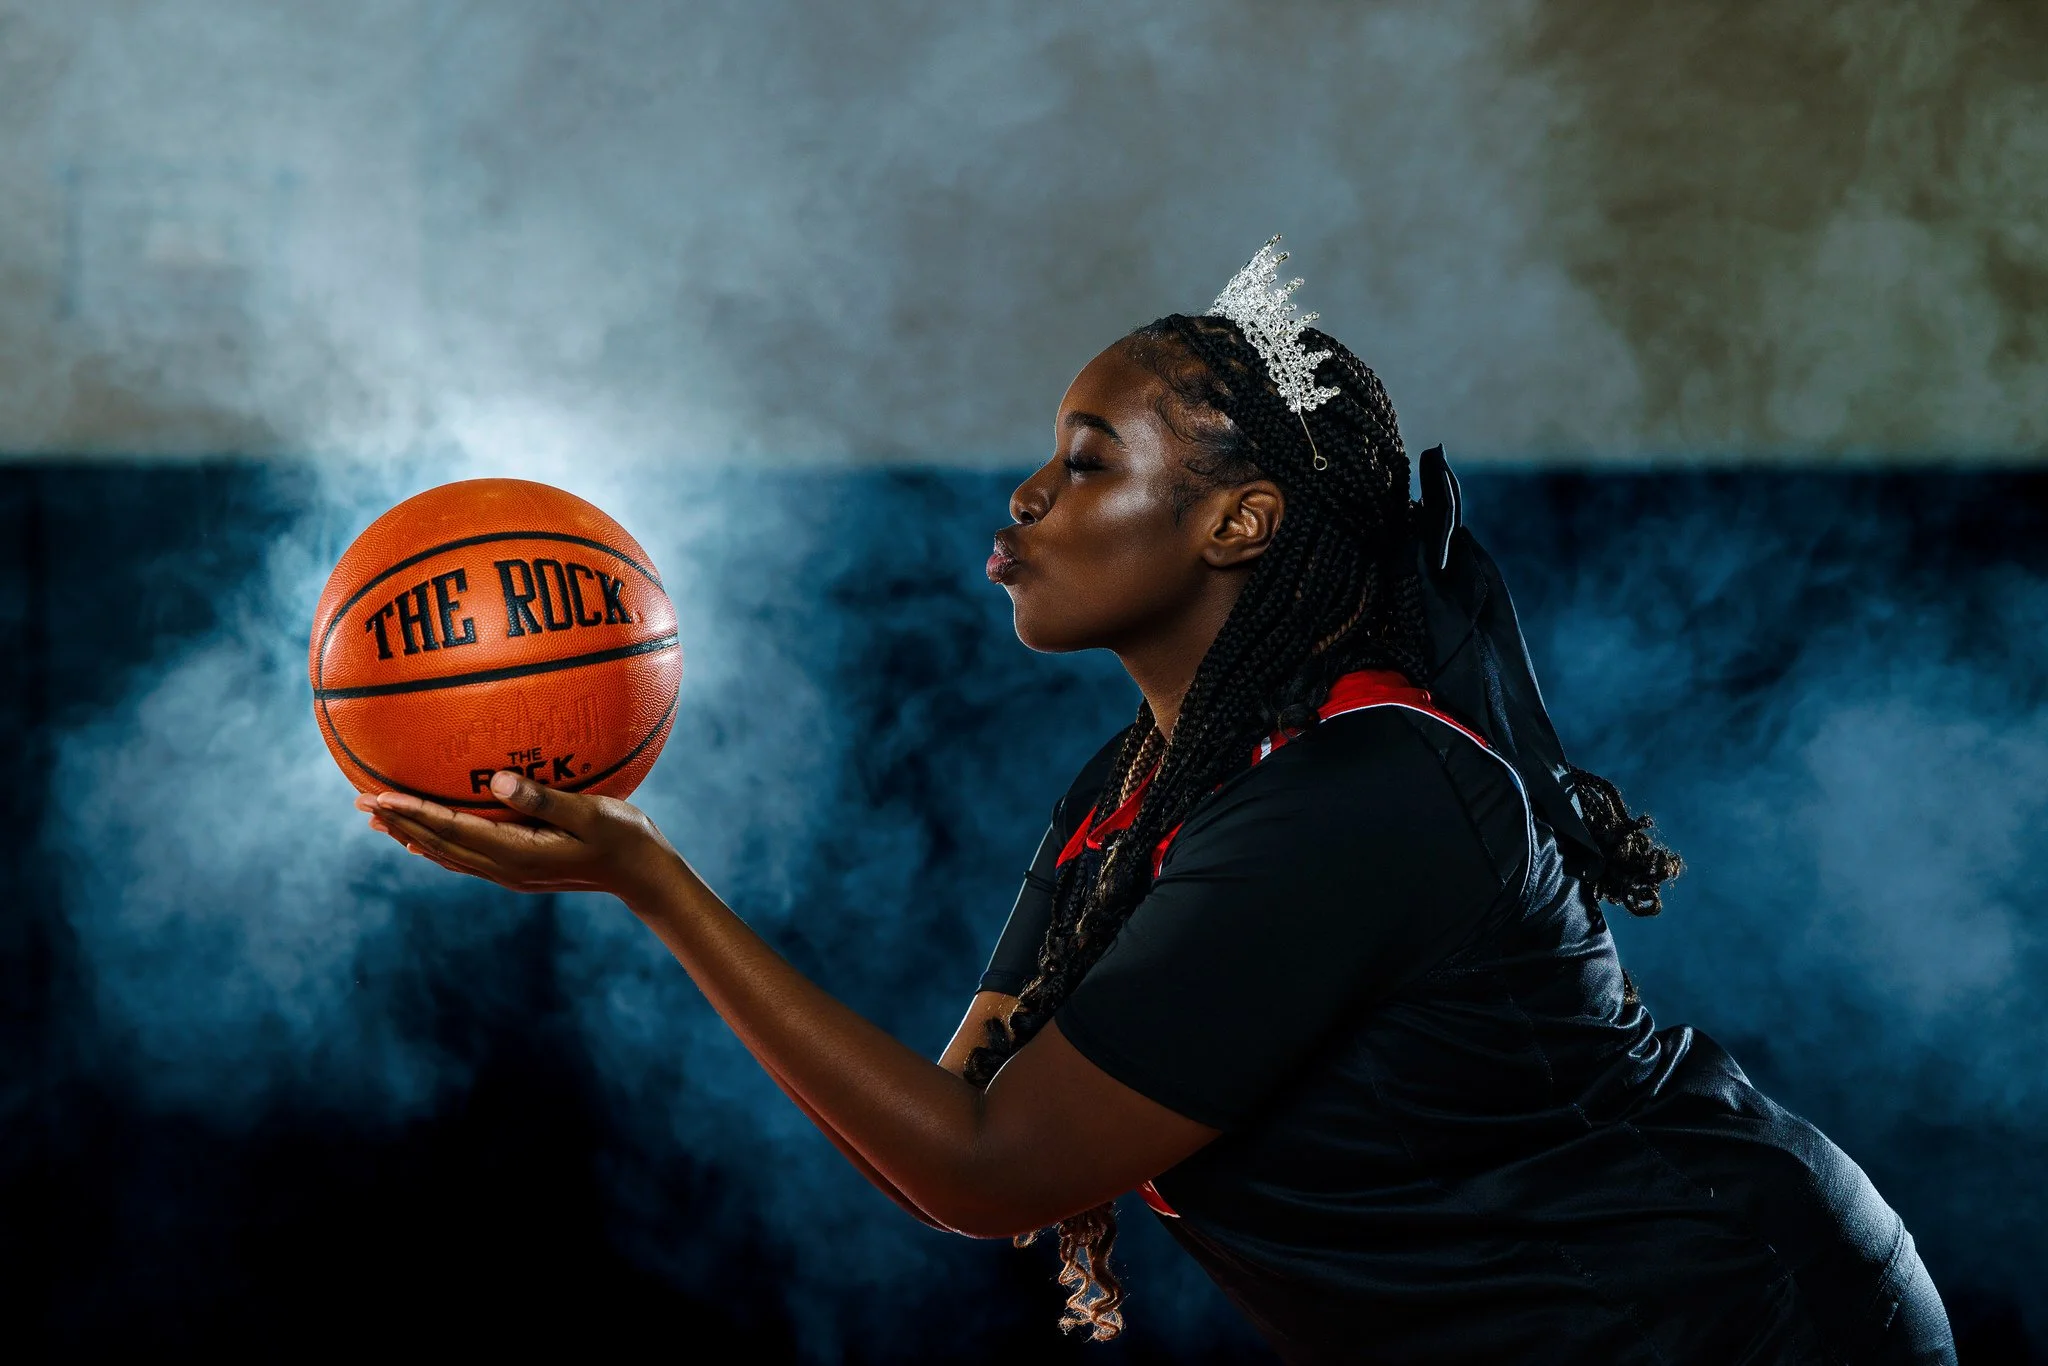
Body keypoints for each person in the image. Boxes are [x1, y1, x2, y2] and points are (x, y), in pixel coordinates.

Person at [357, 242, 1957, 1364]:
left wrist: (653, 883)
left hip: (1739, 1317)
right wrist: (643, 876)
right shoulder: (1132, 794)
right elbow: (956, 1136)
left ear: (1240, 522)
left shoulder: (1363, 798)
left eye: (1088, 460)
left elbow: (990, 1165)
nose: (1027, 494)